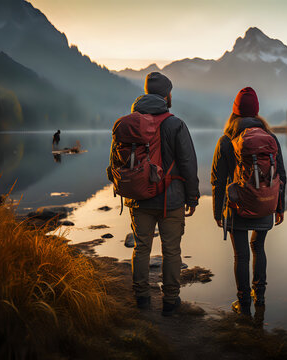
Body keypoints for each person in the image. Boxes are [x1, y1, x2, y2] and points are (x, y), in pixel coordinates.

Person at [111, 72, 200, 316]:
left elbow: (114, 163)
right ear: (166, 95)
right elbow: (188, 163)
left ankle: (141, 298)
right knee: (171, 250)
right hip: (170, 200)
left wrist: (126, 187)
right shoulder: (175, 123)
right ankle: (170, 301)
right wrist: (192, 197)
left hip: (139, 199)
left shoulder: (128, 124)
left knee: (141, 248)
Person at [211, 87, 286, 316]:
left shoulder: (226, 140)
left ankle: (243, 304)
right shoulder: (270, 138)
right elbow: (281, 174)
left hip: (237, 207)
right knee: (259, 248)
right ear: (257, 112)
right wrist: (279, 206)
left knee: (241, 255)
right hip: (265, 203)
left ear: (235, 112)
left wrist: (217, 212)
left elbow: (217, 179)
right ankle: (260, 297)